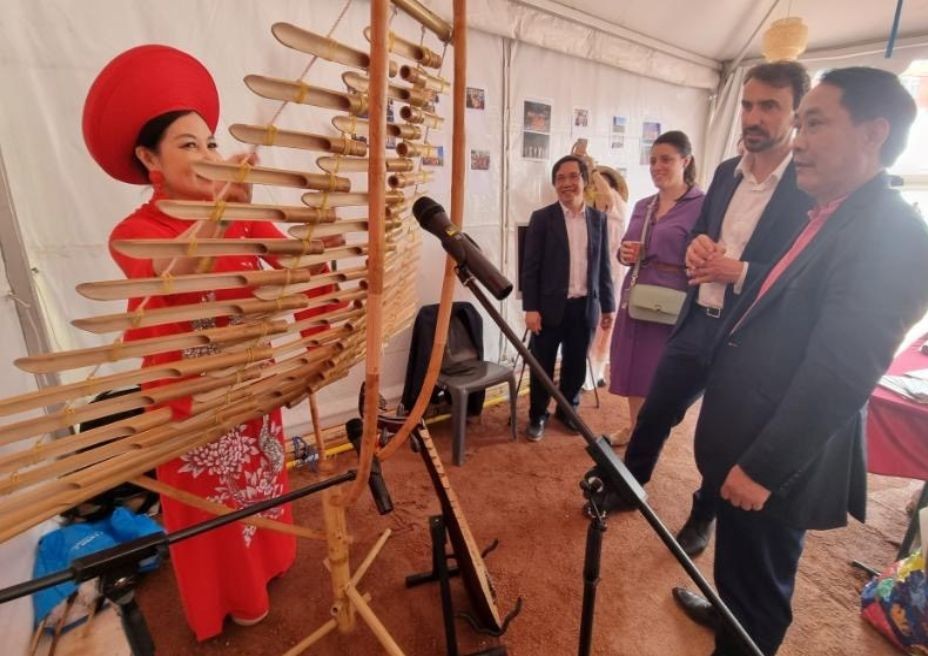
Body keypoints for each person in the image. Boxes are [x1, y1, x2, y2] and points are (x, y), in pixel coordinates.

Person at [82, 45, 342, 640]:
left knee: (262, 484)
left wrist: (318, 236)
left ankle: (269, 566)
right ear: (149, 156)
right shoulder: (136, 232)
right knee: (214, 508)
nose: (207, 156)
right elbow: (178, 269)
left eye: (212, 144)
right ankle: (227, 600)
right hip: (192, 400)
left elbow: (290, 266)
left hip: (249, 384)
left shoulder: (241, 216)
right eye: (188, 145)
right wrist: (225, 214)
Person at [685, 67, 928, 655]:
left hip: (774, 463)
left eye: (814, 122)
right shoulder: (830, 214)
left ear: (873, 133)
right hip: (746, 438)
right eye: (800, 123)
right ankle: (725, 613)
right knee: (739, 571)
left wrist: (763, 468)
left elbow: (841, 373)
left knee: (759, 595)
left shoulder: (894, 234)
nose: (798, 138)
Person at [617, 61, 813, 558]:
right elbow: (703, 229)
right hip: (695, 321)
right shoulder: (727, 172)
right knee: (657, 409)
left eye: (769, 106)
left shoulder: (808, 184)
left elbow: (808, 272)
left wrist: (740, 271)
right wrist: (696, 249)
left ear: (796, 113)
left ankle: (704, 512)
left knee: (725, 438)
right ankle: (627, 485)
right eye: (748, 104)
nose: (753, 116)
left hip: (748, 336)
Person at [609, 131, 704, 442]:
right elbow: (626, 247)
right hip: (636, 294)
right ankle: (636, 426)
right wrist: (625, 253)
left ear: (685, 161)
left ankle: (650, 432)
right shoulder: (642, 205)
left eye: (666, 159)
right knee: (633, 364)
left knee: (658, 370)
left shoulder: (702, 205)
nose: (657, 166)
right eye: (652, 160)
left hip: (673, 298)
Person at [521, 155, 615, 441]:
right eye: (560, 178)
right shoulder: (542, 219)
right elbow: (530, 267)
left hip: (585, 308)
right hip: (548, 309)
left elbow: (603, 265)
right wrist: (531, 308)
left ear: (584, 181)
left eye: (573, 176)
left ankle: (568, 411)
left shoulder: (598, 219)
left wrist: (608, 306)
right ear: (554, 184)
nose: (567, 183)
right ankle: (538, 415)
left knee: (575, 366)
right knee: (542, 368)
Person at [585, 166, 628, 391]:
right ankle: (595, 373)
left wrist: (592, 170)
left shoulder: (612, 205)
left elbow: (604, 193)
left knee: (602, 324)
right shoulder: (613, 208)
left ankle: (592, 375)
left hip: (609, 273)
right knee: (602, 326)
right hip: (610, 271)